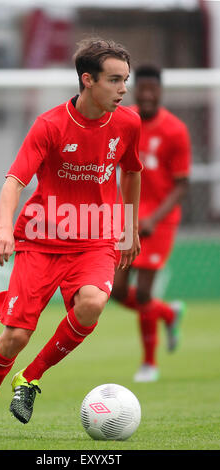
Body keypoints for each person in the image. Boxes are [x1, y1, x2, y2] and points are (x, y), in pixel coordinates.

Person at [0, 37, 143, 436]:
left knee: (92, 302)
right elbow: (13, 182)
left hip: (95, 239)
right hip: (40, 239)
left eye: (126, 79)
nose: (123, 89)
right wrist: (4, 230)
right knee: (15, 335)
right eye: (114, 80)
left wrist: (129, 227)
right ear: (87, 80)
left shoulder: (128, 123)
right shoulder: (51, 125)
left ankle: (30, 379)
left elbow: (132, 171)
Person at [111, 65, 191, 382]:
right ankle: (168, 313)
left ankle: (149, 364)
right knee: (115, 291)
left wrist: (153, 219)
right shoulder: (121, 119)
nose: (145, 94)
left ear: (159, 91)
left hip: (159, 221)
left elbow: (183, 184)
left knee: (143, 294)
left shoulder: (175, 130)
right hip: (127, 215)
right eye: (140, 88)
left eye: (151, 89)